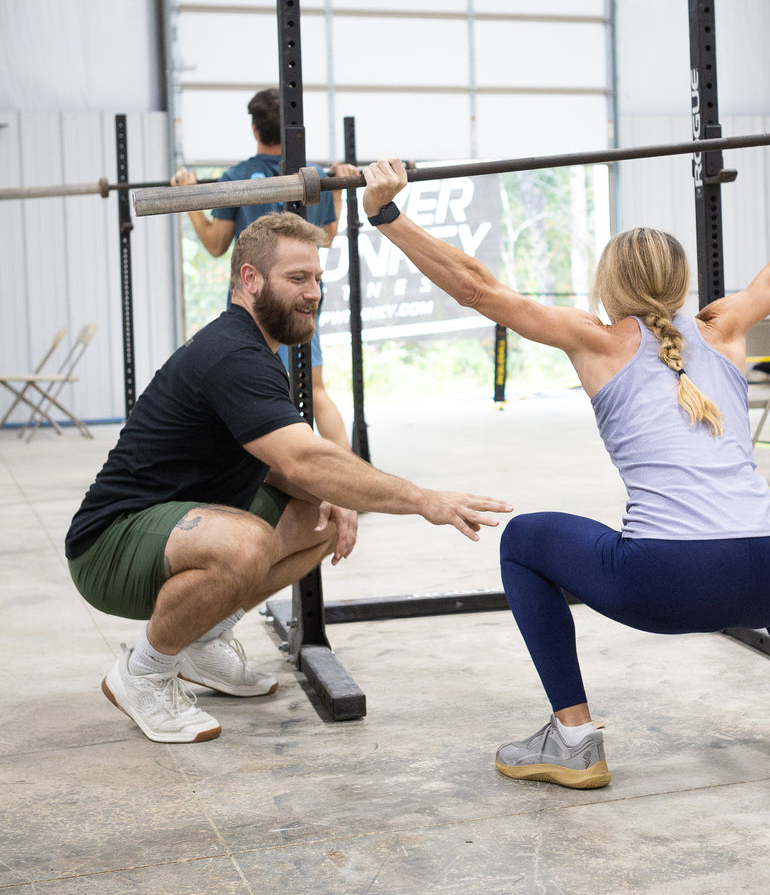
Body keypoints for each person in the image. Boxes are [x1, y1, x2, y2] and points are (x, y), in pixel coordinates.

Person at [354, 111, 770, 788]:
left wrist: (386, 213)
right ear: (682, 282)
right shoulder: (726, 325)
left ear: (609, 284)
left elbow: (476, 287)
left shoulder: (596, 340)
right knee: (759, 512)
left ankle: (574, 739)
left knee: (523, 539)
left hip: (668, 584)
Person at [66, 211, 511, 745]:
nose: (313, 293)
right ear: (250, 279)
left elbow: (280, 465)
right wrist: (423, 500)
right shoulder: (233, 354)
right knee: (246, 542)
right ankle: (143, 673)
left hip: (174, 526)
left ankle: (200, 642)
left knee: (323, 517)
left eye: (317, 278)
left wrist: (334, 495)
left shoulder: (257, 350)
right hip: (109, 546)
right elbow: (303, 461)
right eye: (297, 278)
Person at [171, 87, 352, 450]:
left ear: (255, 129)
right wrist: (337, 188)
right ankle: (349, 473)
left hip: (256, 300)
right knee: (313, 389)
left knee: (255, 390)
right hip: (302, 293)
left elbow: (215, 244)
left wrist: (189, 196)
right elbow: (327, 236)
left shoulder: (237, 177)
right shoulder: (313, 176)